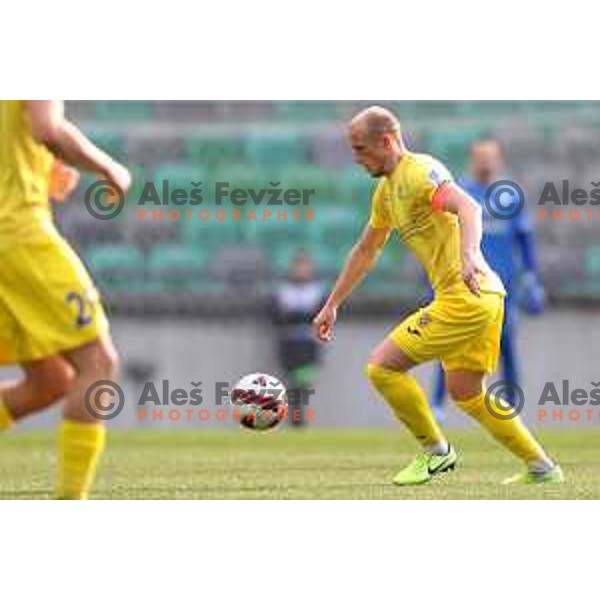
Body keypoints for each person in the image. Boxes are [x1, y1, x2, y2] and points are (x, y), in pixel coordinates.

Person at [312, 106, 563, 486]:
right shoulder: (386, 191)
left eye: (361, 149)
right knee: (466, 392)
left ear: (386, 141)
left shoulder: (420, 171)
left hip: (466, 294)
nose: (355, 158)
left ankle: (436, 453)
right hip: (485, 296)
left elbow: (469, 206)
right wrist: (333, 303)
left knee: (382, 367)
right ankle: (543, 467)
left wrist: (466, 255)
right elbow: (367, 249)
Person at [0, 100, 131, 499]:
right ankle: (71, 502)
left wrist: (36, 168)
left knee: (50, 380)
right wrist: (109, 168)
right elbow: (47, 129)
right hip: (16, 235)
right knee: (98, 361)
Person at [430, 139, 545, 419]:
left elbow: (525, 240)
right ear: (472, 160)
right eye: (480, 158)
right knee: (449, 341)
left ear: (498, 161)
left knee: (505, 341)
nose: (485, 163)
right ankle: (437, 404)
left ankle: (510, 403)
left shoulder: (509, 195)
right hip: (465, 280)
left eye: (490, 158)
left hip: (503, 284)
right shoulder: (461, 193)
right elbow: (443, 237)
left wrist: (530, 277)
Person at [271, 252, 325, 427]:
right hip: (289, 343)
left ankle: (298, 418)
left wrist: (296, 315)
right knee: (292, 383)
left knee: (302, 382)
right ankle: (296, 419)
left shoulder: (317, 290)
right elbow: (276, 317)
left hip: (308, 344)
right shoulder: (283, 291)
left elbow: (318, 316)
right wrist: (304, 316)